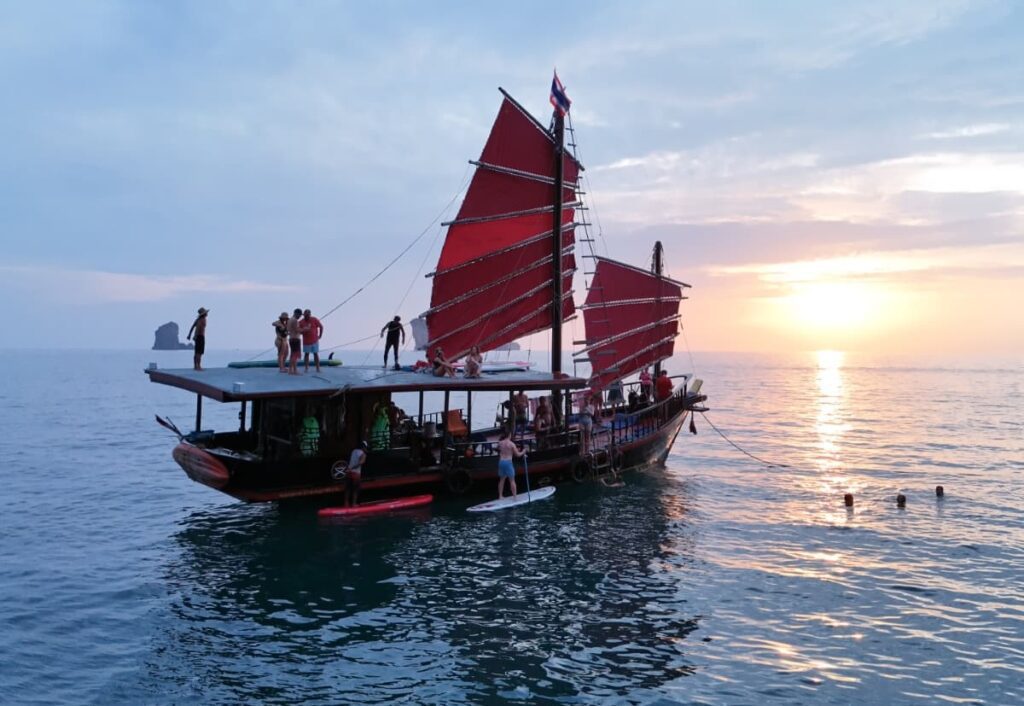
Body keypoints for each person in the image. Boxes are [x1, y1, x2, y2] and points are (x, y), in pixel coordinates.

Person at [497, 430, 524, 500]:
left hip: (501, 461)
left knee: (502, 479)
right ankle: (515, 497)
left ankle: (500, 496)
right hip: (508, 462)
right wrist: (523, 452)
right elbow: (518, 455)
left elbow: (499, 449)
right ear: (509, 435)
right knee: (512, 480)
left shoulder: (500, 443)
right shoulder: (512, 444)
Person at [300, 309, 324, 373]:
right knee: (306, 354)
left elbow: (321, 327)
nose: (306, 316)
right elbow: (298, 330)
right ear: (304, 315)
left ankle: (318, 368)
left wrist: (320, 335)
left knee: (315, 354)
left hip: (314, 340)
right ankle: (306, 368)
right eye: (305, 315)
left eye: (307, 315)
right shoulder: (301, 321)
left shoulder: (314, 319)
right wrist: (303, 330)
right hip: (306, 341)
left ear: (310, 315)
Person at [345, 441, 367, 507]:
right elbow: (361, 462)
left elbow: (350, 461)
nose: (366, 449)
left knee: (348, 488)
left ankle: (346, 503)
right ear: (363, 447)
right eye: (365, 447)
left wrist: (349, 468)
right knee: (355, 489)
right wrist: (353, 467)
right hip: (356, 473)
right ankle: (354, 504)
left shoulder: (353, 451)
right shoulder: (363, 454)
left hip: (349, 472)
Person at [286, 308, 303, 375]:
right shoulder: (295, 320)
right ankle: (295, 370)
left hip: (291, 338)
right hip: (295, 339)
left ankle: (290, 370)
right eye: (299, 315)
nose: (300, 317)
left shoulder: (290, 320)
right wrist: (305, 329)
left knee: (292, 355)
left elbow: (288, 330)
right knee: (295, 356)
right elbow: (297, 330)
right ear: (296, 313)